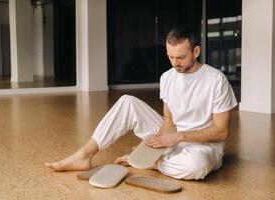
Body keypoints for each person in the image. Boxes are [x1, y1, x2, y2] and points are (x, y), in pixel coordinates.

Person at [45, 25, 237, 180]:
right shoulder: (167, 77)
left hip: (203, 147)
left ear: (196, 51)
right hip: (172, 139)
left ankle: (150, 163)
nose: (175, 63)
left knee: (197, 166)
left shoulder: (216, 80)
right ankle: (84, 155)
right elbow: (168, 124)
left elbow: (221, 132)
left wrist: (177, 138)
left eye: (181, 57)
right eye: (170, 57)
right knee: (127, 102)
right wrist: (154, 144)